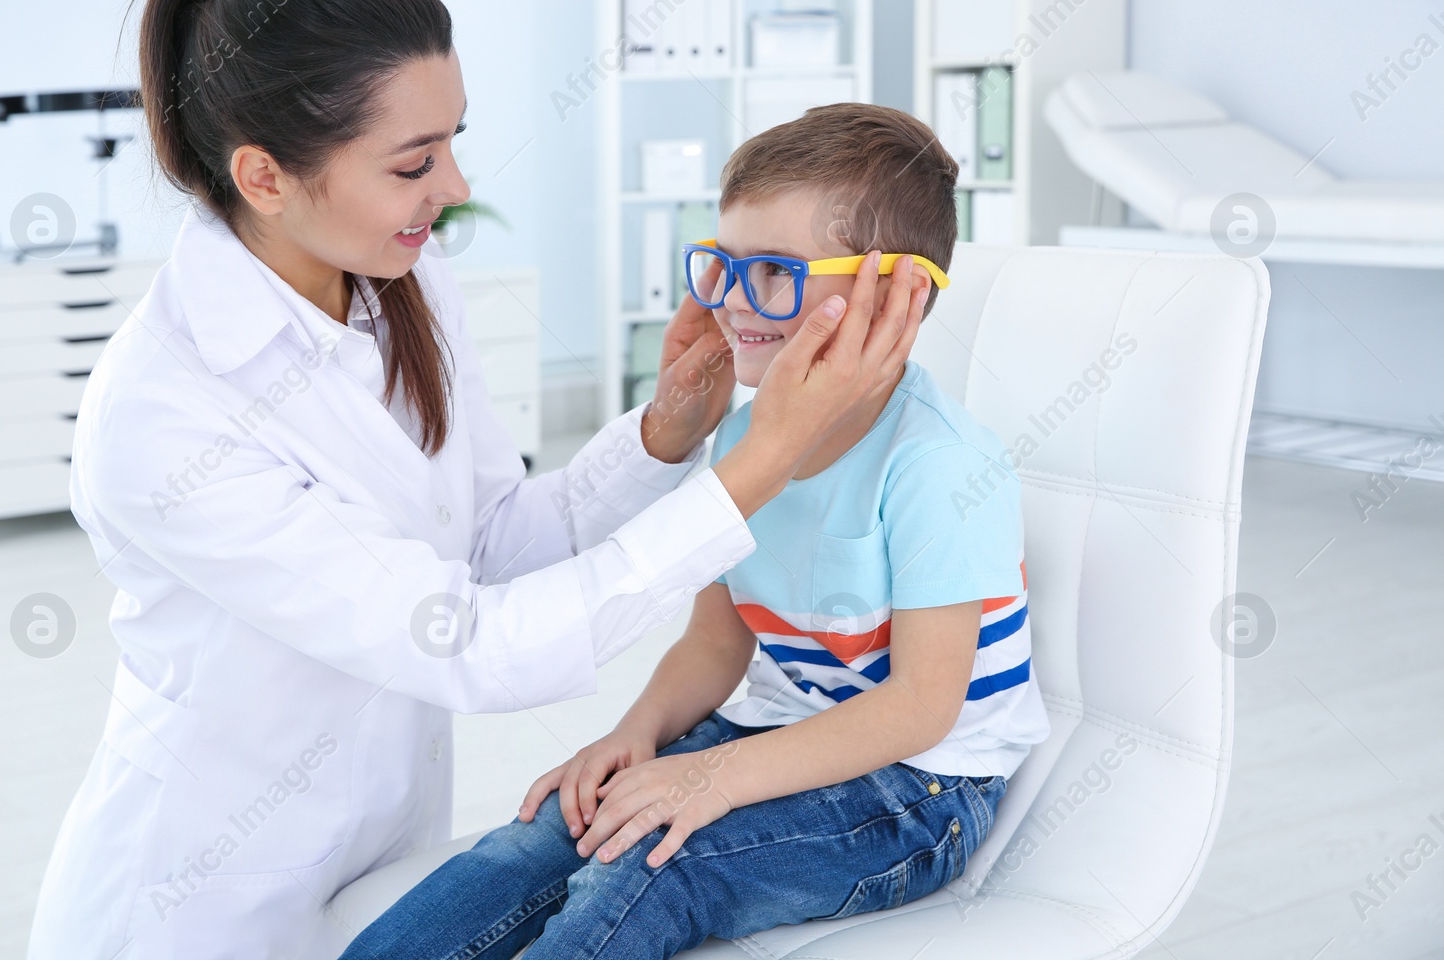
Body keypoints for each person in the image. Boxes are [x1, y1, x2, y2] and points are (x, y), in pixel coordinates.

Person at [27, 0, 925, 960]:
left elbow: (489, 538)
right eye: (412, 163)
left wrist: (667, 430)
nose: (451, 186)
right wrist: (762, 461)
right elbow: (468, 637)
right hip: (201, 900)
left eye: (451, 140)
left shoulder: (399, 274)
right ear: (264, 177)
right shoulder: (164, 414)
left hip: (380, 859)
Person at [339, 104, 1050, 960]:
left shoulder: (938, 465)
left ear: (895, 292)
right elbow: (717, 642)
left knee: (653, 865)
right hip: (781, 732)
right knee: (545, 834)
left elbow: (920, 709)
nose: (733, 303)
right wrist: (633, 736)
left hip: (923, 786)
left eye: (777, 271)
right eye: (721, 265)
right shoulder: (750, 438)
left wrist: (711, 775)